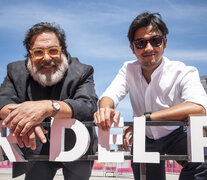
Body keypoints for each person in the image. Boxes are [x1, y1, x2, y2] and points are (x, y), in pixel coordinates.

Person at [94, 12, 207, 180]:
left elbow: (199, 108)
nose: (148, 48)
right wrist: (104, 110)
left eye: (155, 40)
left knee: (204, 161)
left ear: (165, 43)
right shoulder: (128, 69)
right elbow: (109, 96)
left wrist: (146, 118)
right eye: (140, 43)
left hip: (175, 134)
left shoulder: (183, 71)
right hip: (143, 138)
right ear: (132, 48)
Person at [0, 22, 98, 180]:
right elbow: (2, 100)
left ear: (63, 51)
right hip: (36, 147)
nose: (46, 58)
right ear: (29, 54)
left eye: (53, 51)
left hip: (76, 148)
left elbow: (88, 106)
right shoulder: (15, 71)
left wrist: (49, 107)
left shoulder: (83, 71)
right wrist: (22, 117)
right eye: (38, 52)